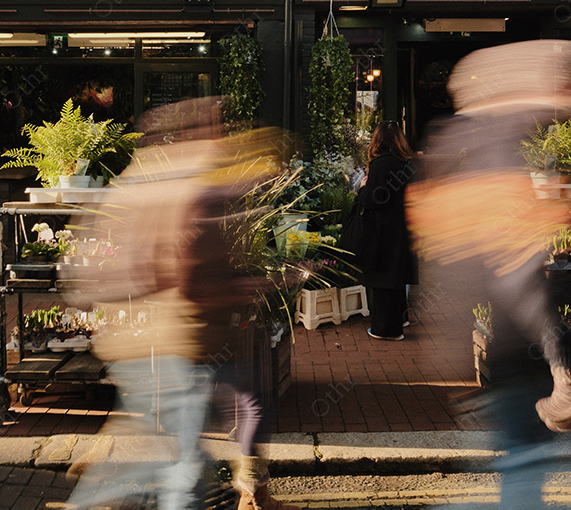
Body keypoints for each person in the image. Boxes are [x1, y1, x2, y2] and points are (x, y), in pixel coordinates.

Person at [61, 98, 300, 510]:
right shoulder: (191, 189)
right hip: (172, 349)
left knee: (173, 459)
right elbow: (189, 282)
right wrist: (258, 284)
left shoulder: (142, 178)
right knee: (182, 473)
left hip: (144, 346)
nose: (222, 136)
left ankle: (106, 485)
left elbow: (105, 265)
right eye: (215, 127)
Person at [406, 39, 571, 509]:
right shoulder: (499, 167)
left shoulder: (460, 157)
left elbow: (452, 267)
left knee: (519, 464)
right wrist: (559, 365)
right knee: (521, 468)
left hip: (500, 352)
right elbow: (516, 278)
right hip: (520, 355)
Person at [357, 120, 416, 341]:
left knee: (383, 276)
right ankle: (402, 317)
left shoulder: (380, 165)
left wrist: (362, 189)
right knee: (398, 273)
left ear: (378, 140)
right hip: (403, 225)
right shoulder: (408, 164)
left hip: (382, 228)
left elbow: (373, 199)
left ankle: (386, 329)